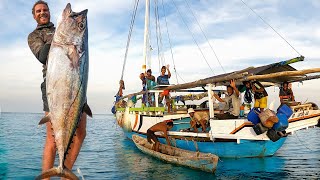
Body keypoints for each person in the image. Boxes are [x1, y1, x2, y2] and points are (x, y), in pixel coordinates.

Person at [28, 1, 87, 178]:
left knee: (81, 133)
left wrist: (64, 30)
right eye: (38, 11)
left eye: (45, 9)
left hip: (75, 84)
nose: (42, 12)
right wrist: (62, 35)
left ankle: (63, 170)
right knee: (52, 139)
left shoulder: (59, 29)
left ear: (49, 12)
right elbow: (42, 56)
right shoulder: (34, 36)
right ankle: (46, 177)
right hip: (54, 86)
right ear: (34, 15)